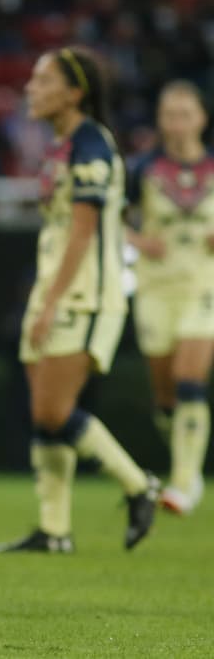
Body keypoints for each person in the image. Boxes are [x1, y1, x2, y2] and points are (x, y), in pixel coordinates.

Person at [0, 47, 159, 553]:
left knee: (51, 409)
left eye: (43, 80)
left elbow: (84, 234)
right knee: (43, 412)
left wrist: (48, 304)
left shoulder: (90, 145)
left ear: (75, 92)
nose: (30, 88)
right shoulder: (64, 146)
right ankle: (54, 528)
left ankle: (138, 485)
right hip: (56, 289)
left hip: (85, 294)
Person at [126, 80, 213, 516]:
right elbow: (108, 218)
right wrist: (139, 242)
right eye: (168, 114)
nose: (176, 123)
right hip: (155, 288)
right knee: (166, 395)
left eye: (184, 113)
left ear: (202, 118)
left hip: (205, 284)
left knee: (189, 378)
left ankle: (182, 483)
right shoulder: (142, 169)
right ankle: (188, 462)